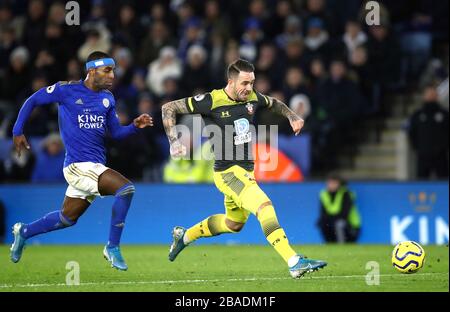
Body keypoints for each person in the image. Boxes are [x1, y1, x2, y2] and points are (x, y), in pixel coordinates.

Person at [161, 59, 326, 279]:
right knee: (264, 206)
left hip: (245, 172)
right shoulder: (211, 100)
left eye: (252, 82)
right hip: (228, 173)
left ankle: (185, 237)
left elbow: (273, 103)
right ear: (231, 81)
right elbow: (168, 108)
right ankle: (294, 261)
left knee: (234, 224)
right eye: (245, 83)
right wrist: (174, 140)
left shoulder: (252, 97)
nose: (249, 88)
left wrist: (292, 116)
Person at [9, 51, 153, 270]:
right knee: (125, 189)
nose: (112, 75)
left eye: (113, 70)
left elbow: (115, 133)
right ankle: (112, 247)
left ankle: (24, 231)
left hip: (94, 166)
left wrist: (134, 127)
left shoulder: (108, 98)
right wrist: (18, 129)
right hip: (77, 166)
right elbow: (34, 99)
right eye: (107, 70)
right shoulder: (66, 90)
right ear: (92, 70)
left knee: (67, 218)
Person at [407, 85, 449, 179]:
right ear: (424, 96)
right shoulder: (417, 115)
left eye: (433, 93)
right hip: (423, 155)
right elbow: (412, 133)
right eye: (428, 94)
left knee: (443, 182)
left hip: (441, 156)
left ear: (437, 96)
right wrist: (418, 147)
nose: (431, 96)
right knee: (421, 182)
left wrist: (444, 147)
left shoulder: (445, 115)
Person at [317, 173, 361, 243]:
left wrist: (331, 219)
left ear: (339, 184)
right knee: (322, 223)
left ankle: (342, 245)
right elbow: (323, 213)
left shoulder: (346, 194)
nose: (331, 185)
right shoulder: (324, 194)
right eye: (329, 183)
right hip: (333, 223)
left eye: (333, 183)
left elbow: (344, 214)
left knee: (339, 223)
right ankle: (329, 245)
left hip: (351, 226)